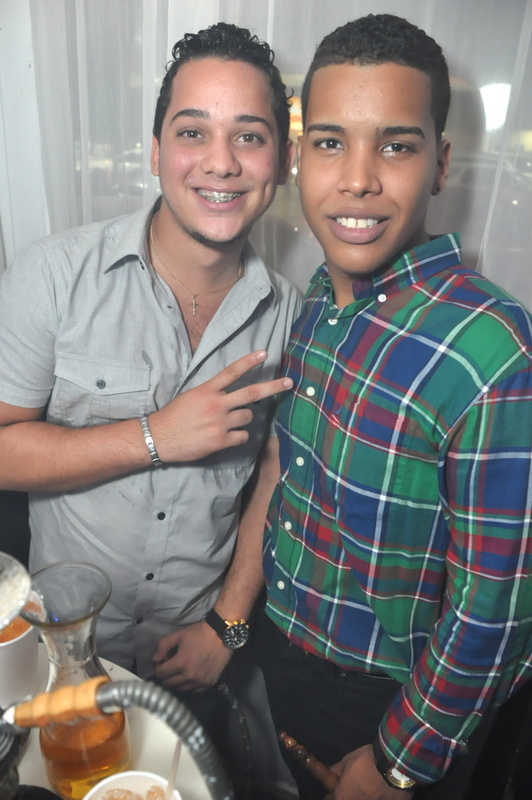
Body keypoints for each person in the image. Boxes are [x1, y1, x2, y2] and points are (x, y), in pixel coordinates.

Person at [0, 20, 301, 759]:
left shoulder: (294, 314)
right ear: (158, 150)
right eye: (193, 132)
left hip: (195, 664)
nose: (220, 162)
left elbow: (275, 472)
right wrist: (154, 436)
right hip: (62, 655)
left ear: (283, 160)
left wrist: (228, 625)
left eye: (249, 136)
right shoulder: (52, 276)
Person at [257, 13, 532, 800]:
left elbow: (496, 608)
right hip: (283, 658)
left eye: (396, 147)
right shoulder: (317, 300)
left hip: (391, 705)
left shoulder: (491, 348)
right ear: (299, 158)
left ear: (440, 164)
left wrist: (397, 761)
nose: (358, 179)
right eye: (330, 142)